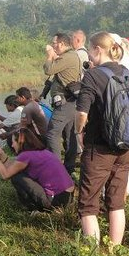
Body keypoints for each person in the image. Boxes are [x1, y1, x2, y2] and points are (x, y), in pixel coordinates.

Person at [75, 32, 129, 245]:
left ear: (97, 49)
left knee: (88, 205)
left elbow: (82, 113)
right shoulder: (128, 74)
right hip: (125, 146)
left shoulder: (92, 76)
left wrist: (78, 132)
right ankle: (115, 250)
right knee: (116, 201)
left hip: (99, 147)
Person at [0, 127, 75, 211]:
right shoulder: (42, 152)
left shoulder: (26, 156)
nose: (12, 145)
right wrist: (2, 155)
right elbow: (14, 167)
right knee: (18, 173)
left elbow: (5, 175)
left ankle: (33, 209)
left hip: (56, 201)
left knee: (16, 177)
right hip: (68, 197)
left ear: (20, 142)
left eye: (13, 142)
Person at [43, 32, 81, 174]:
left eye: (54, 43)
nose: (52, 45)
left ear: (62, 44)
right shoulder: (70, 56)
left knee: (53, 134)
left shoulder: (68, 57)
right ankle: (69, 168)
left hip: (65, 104)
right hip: (70, 103)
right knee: (69, 135)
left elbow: (49, 69)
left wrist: (49, 55)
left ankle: (56, 168)